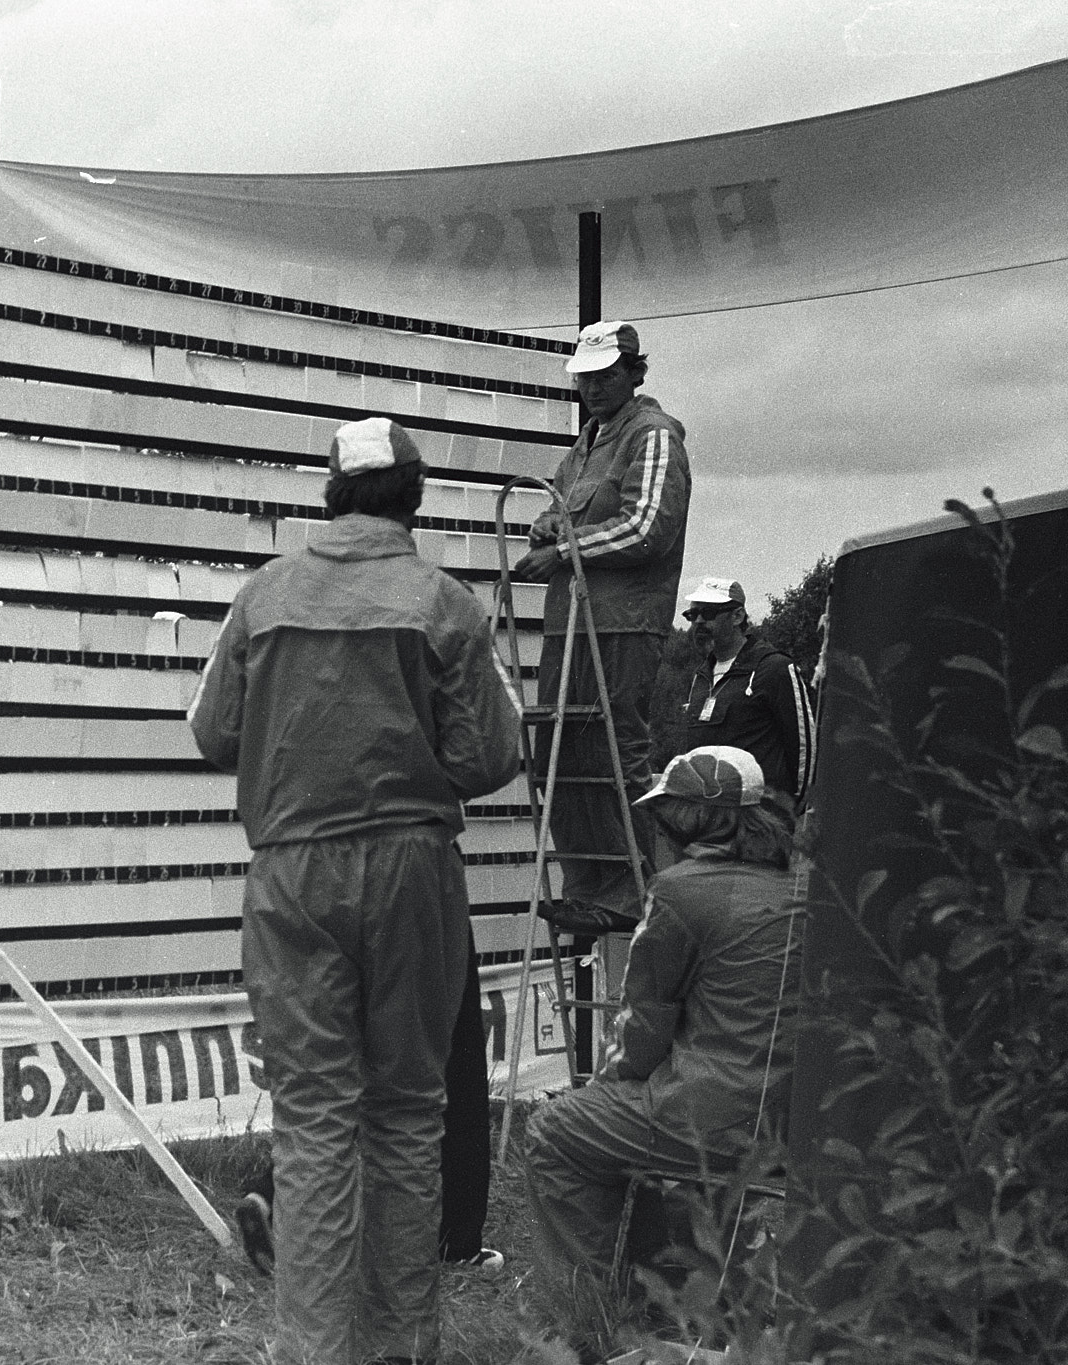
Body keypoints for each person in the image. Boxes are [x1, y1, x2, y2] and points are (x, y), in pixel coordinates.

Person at [189, 417, 522, 1365]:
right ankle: (398, 1347)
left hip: (293, 871)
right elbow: (493, 751)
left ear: (329, 494)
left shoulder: (264, 594)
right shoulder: (447, 602)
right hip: (415, 868)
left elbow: (212, 732)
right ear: (413, 501)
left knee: (315, 1118)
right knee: (410, 1113)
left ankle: (311, 1351)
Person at [525, 746, 802, 1295]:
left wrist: (605, 1091)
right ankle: (669, 1289)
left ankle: (591, 1316)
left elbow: (641, 1027)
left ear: (684, 820)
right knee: (632, 1121)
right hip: (792, 1124)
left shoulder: (680, 891)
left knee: (557, 1131)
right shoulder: (804, 888)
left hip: (714, 1119)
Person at [512, 320, 692, 937]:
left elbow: (648, 528)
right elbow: (563, 505)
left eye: (604, 373)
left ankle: (650, 894)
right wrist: (545, 525)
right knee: (564, 758)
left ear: (635, 372)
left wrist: (562, 551)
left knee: (617, 755)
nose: (591, 386)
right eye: (584, 376)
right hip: (572, 625)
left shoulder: (654, 435)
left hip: (623, 626)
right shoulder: (588, 441)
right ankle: (596, 890)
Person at [232, 926, 506, 1278]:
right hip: (415, 914)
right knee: (455, 1069)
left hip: (337, 916)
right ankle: (456, 1240)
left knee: (339, 1079)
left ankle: (270, 1193)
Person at [678, 578, 817, 805]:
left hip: (759, 818)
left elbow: (804, 747)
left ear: (737, 616)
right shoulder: (701, 676)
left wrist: (791, 809)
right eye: (693, 615)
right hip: (711, 817)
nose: (699, 622)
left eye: (709, 612)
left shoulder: (773, 668)